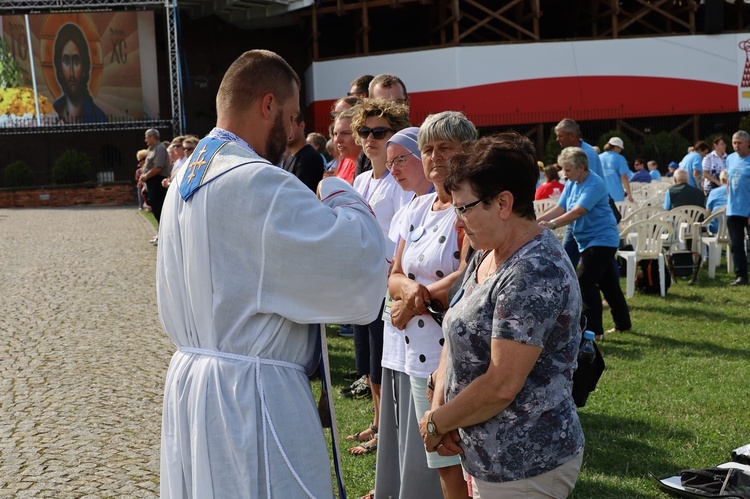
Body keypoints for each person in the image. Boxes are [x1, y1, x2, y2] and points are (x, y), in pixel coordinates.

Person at [156, 49, 387, 498]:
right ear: (268, 106)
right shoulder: (256, 182)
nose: (296, 128)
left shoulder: (187, 178)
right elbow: (354, 263)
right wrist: (340, 192)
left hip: (195, 385)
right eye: (293, 115)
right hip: (254, 397)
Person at [420, 132, 584, 498]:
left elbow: (501, 384)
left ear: (504, 203)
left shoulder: (534, 270)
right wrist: (440, 410)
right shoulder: (489, 250)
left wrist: (436, 423)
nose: (458, 222)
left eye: (464, 208)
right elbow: (455, 327)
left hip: (524, 464)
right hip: (487, 456)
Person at [388, 111, 475, 499]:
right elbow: (394, 274)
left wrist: (413, 300)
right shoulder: (416, 209)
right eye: (427, 149)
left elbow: (470, 274)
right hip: (418, 355)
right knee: (441, 459)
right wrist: (409, 293)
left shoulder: (470, 208)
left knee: (469, 459)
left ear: (467, 153)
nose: (435, 157)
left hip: (459, 355)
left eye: (445, 148)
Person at [346, 99, 413, 456]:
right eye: (364, 131)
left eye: (380, 132)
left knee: (382, 364)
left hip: (390, 282)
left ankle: (386, 431)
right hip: (365, 281)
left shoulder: (399, 181)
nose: (370, 138)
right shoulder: (359, 179)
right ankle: (377, 422)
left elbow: (402, 234)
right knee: (369, 362)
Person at [539, 147, 631, 339]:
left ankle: (594, 331)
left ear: (581, 167)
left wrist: (552, 224)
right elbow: (561, 207)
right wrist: (536, 220)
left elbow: (579, 211)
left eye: (568, 170)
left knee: (585, 282)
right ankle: (623, 324)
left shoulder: (595, 183)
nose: (564, 173)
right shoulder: (572, 183)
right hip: (587, 240)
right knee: (609, 284)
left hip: (602, 239)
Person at [554, 118, 603, 268]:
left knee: (571, 265)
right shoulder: (575, 155)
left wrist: (553, 223)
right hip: (579, 219)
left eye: (560, 136)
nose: (557, 139)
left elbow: (589, 192)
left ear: (572, 136)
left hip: (590, 220)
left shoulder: (586, 154)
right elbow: (560, 207)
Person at [52, 23, 106, 124]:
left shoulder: (98, 118)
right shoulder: (52, 115)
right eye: (66, 62)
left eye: (76, 61)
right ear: (59, 70)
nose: (71, 72)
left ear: (85, 67)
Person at [725, 130, 750, 286]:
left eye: (739, 143)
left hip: (748, 209)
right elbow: (728, 181)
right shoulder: (730, 158)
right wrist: (728, 202)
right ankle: (741, 276)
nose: (736, 146)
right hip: (733, 210)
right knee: (736, 245)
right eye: (734, 142)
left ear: (747, 143)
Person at [140, 128, 170, 245]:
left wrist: (146, 176)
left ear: (153, 137)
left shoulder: (160, 149)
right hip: (152, 182)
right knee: (155, 208)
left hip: (158, 182)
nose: (145, 139)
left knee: (160, 209)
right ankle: (160, 234)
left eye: (147, 136)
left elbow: (158, 167)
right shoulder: (152, 149)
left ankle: (164, 236)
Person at [282, 112, 325, 192]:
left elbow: (299, 196)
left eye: (290, 124)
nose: (285, 130)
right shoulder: (288, 158)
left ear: (301, 126)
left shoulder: (310, 158)